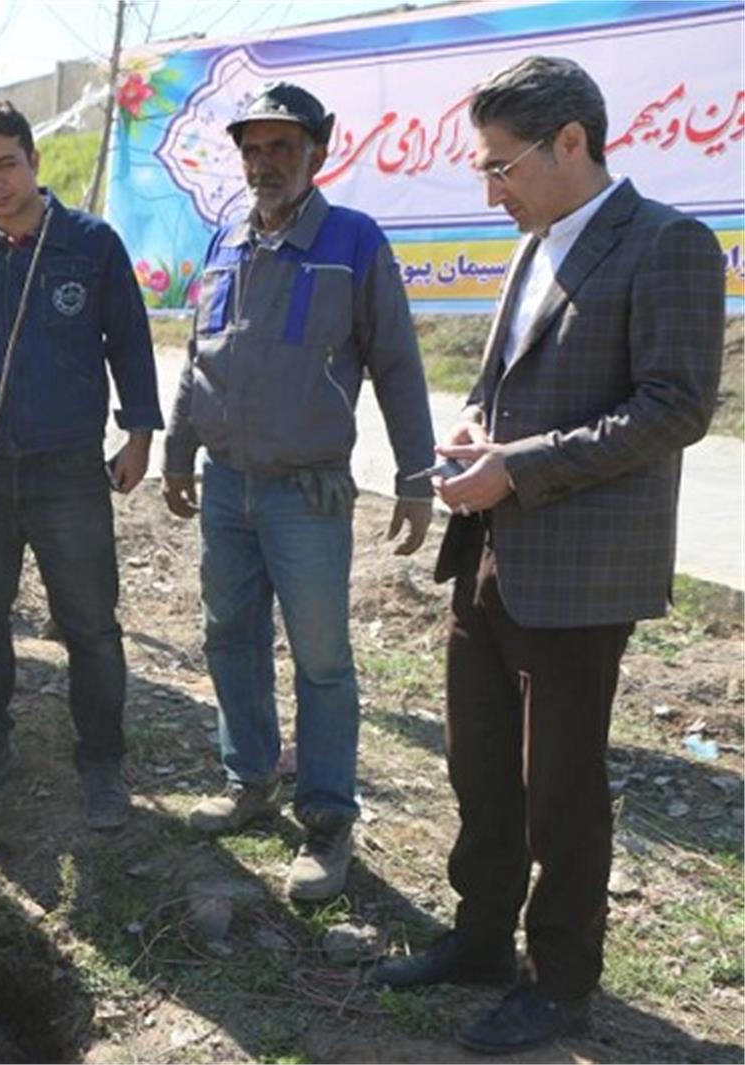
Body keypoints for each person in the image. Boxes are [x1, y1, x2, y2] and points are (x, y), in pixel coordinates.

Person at [369, 57, 724, 1054]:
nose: (489, 191)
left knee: (558, 787)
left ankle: (560, 977)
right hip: (486, 555)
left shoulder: (666, 244)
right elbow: (508, 385)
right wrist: (476, 433)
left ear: (571, 141)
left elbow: (675, 406)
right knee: (479, 769)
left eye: (500, 167)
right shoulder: (531, 249)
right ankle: (478, 939)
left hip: (578, 573)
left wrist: (514, 468)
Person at [160, 81, 436, 901]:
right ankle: (250, 778)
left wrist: (417, 478)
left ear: (317, 151)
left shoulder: (351, 241)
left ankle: (326, 819)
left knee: (321, 660)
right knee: (228, 637)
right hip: (227, 488)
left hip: (307, 495)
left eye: (282, 146)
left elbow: (397, 365)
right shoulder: (224, 241)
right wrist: (178, 452)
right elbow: (198, 358)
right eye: (252, 147)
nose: (264, 162)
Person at [0, 100, 162, 831]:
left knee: (90, 622)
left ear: (35, 161)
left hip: (67, 471)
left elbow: (130, 340)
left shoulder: (88, 245)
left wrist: (140, 428)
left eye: (7, 165)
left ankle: (103, 758)